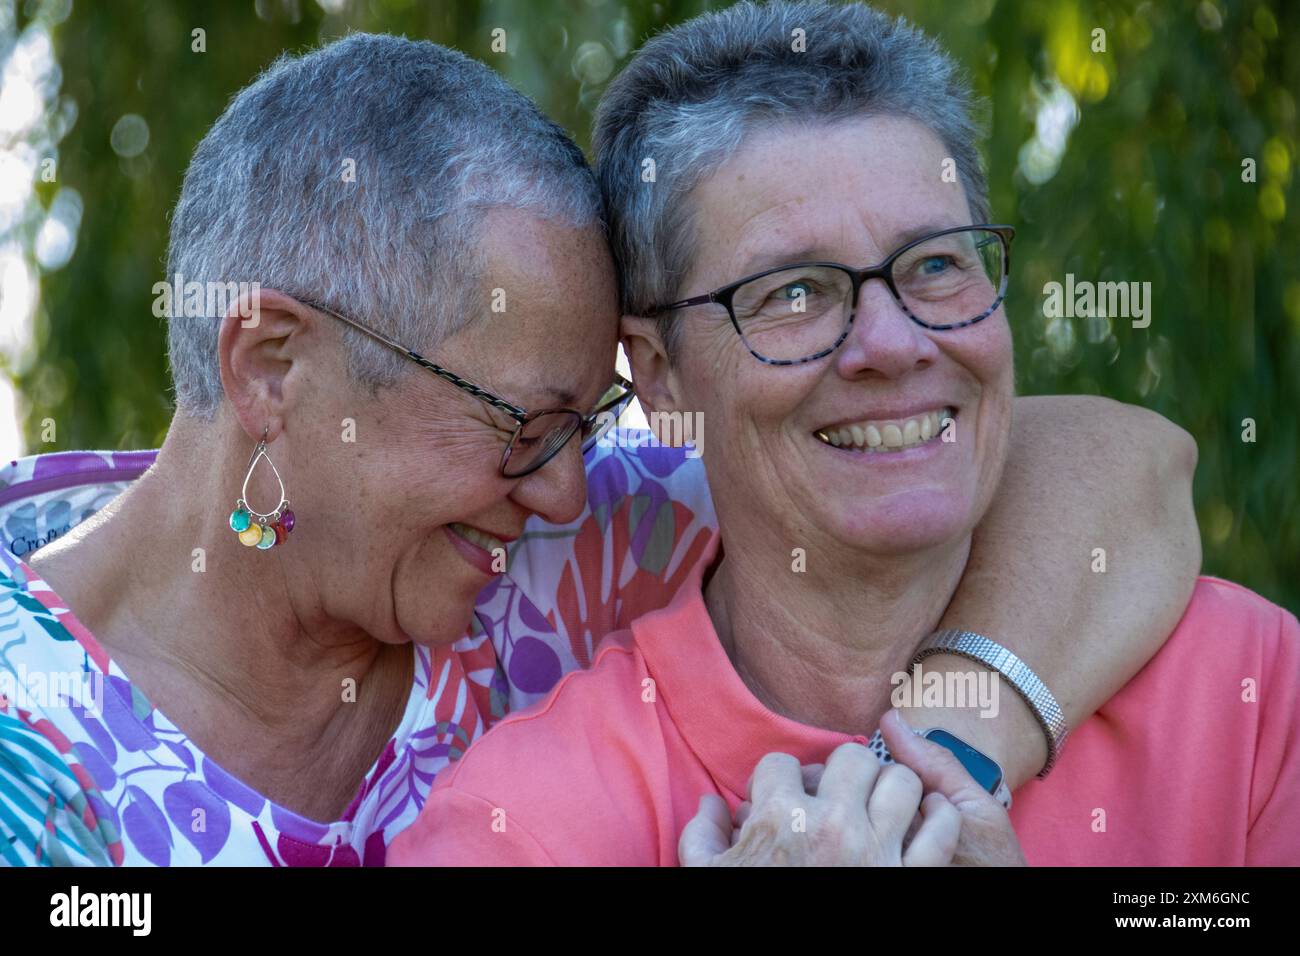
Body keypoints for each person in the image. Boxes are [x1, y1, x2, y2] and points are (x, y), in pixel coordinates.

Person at [1, 31, 1196, 868]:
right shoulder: (32, 763)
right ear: (270, 364)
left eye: (587, 424)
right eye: (520, 426)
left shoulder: (572, 543)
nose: (568, 484)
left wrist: (936, 756)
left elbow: (1105, 464)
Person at [390, 1, 1299, 867]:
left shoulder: (1253, 693)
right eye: (792, 292)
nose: (895, 344)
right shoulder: (522, 827)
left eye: (937, 264)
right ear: (659, 378)